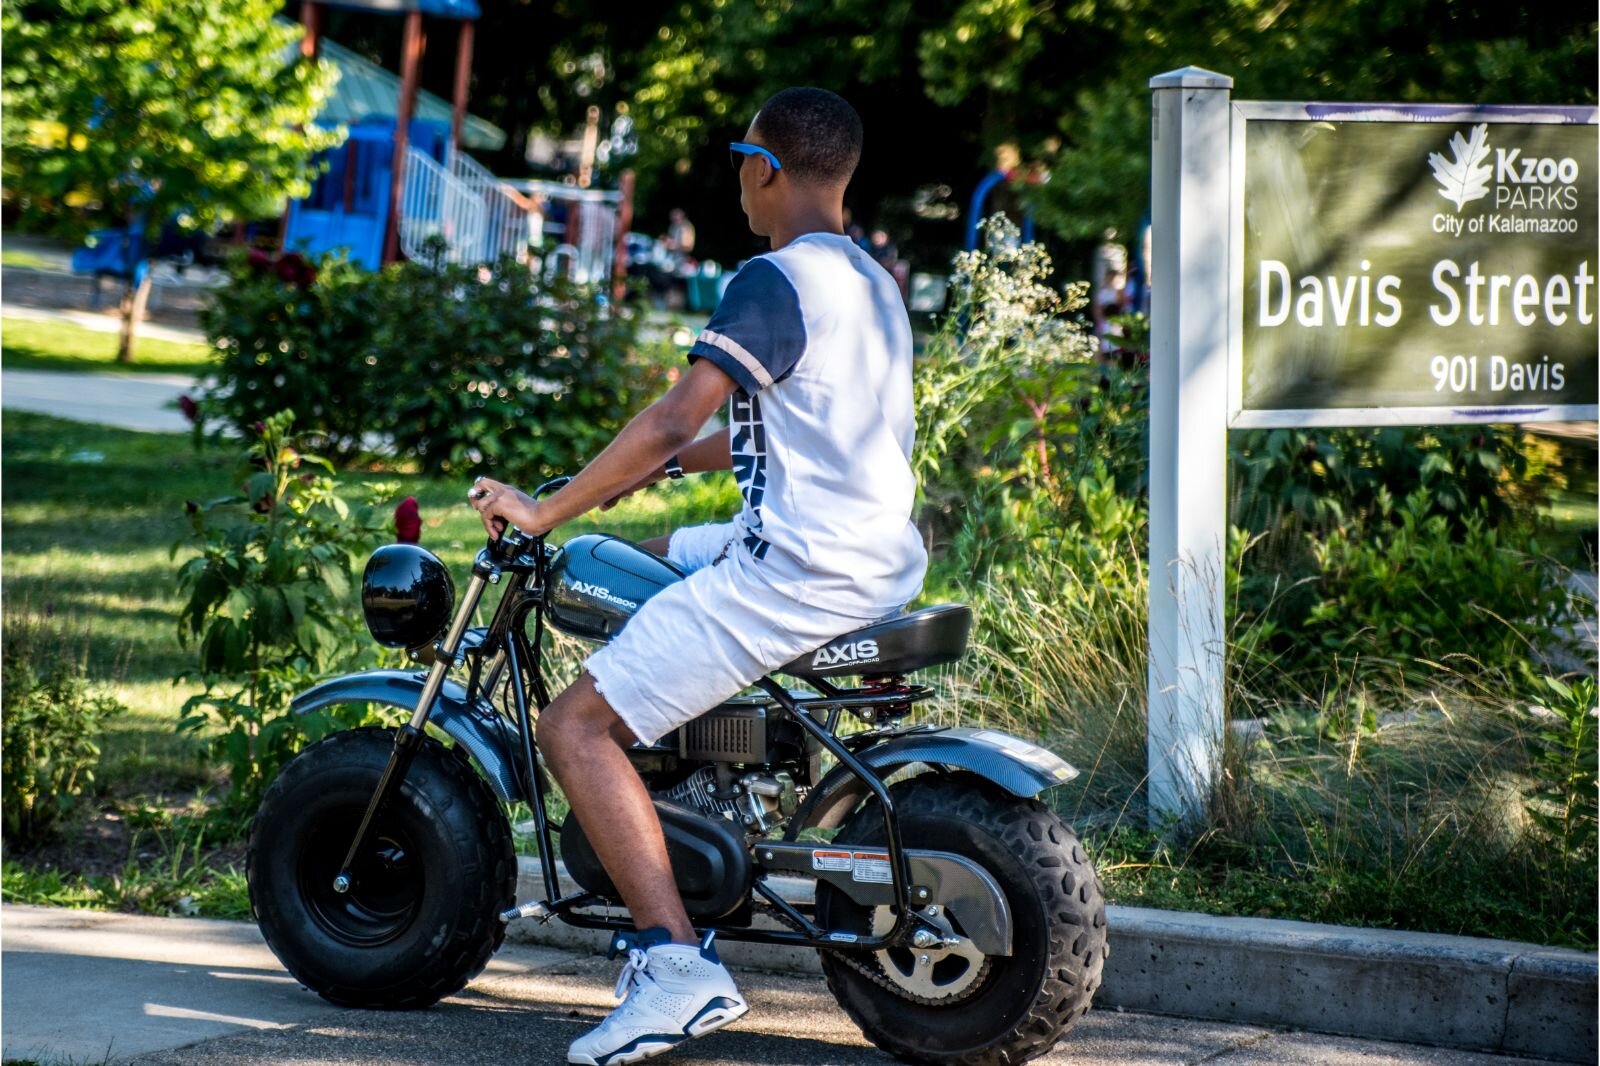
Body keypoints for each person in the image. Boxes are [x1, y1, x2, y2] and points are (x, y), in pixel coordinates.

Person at [467, 86, 926, 1066]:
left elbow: (674, 415)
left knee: (573, 726)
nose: (737, 176)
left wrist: (545, 508)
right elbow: (784, 422)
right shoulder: (869, 281)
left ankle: (674, 962)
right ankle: (695, 778)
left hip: (795, 569)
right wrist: (666, 474)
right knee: (656, 557)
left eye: (739, 157)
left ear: (764, 167)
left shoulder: (771, 278)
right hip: (870, 548)